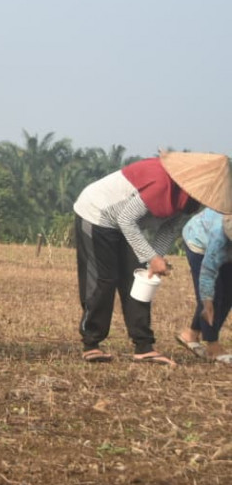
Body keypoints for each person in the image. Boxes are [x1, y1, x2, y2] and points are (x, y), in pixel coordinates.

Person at [74, 150, 231, 366]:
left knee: (140, 279)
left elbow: (168, 230)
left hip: (127, 224)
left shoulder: (190, 201)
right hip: (97, 214)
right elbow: (125, 219)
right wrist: (151, 256)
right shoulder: (161, 183)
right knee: (104, 279)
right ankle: (91, 343)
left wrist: (154, 259)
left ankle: (144, 346)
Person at [177, 209, 232, 364]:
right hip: (198, 240)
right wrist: (207, 300)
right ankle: (212, 346)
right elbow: (207, 275)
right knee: (214, 295)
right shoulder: (218, 240)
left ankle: (190, 334)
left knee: (229, 294)